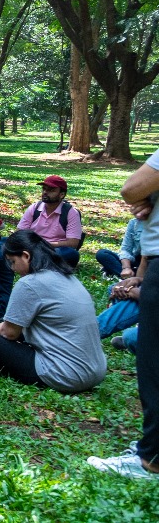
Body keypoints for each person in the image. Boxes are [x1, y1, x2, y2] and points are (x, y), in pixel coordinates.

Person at [88, 148, 159, 478]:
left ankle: (150, 458)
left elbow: (131, 188)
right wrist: (135, 279)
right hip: (145, 270)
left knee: (152, 358)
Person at [0, 230, 106, 393]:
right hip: (95, 372)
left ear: (26, 256)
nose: (13, 268)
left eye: (12, 262)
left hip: (63, 375)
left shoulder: (29, 283)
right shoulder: (68, 277)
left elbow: (9, 333)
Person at [15, 175, 83, 267]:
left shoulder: (70, 212)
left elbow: (73, 243)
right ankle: (37, 260)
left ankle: (32, 260)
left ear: (61, 194)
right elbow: (19, 233)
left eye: (51, 190)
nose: (45, 192)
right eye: (44, 189)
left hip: (54, 249)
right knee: (4, 242)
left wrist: (44, 244)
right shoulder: (34, 208)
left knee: (71, 254)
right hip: (32, 247)